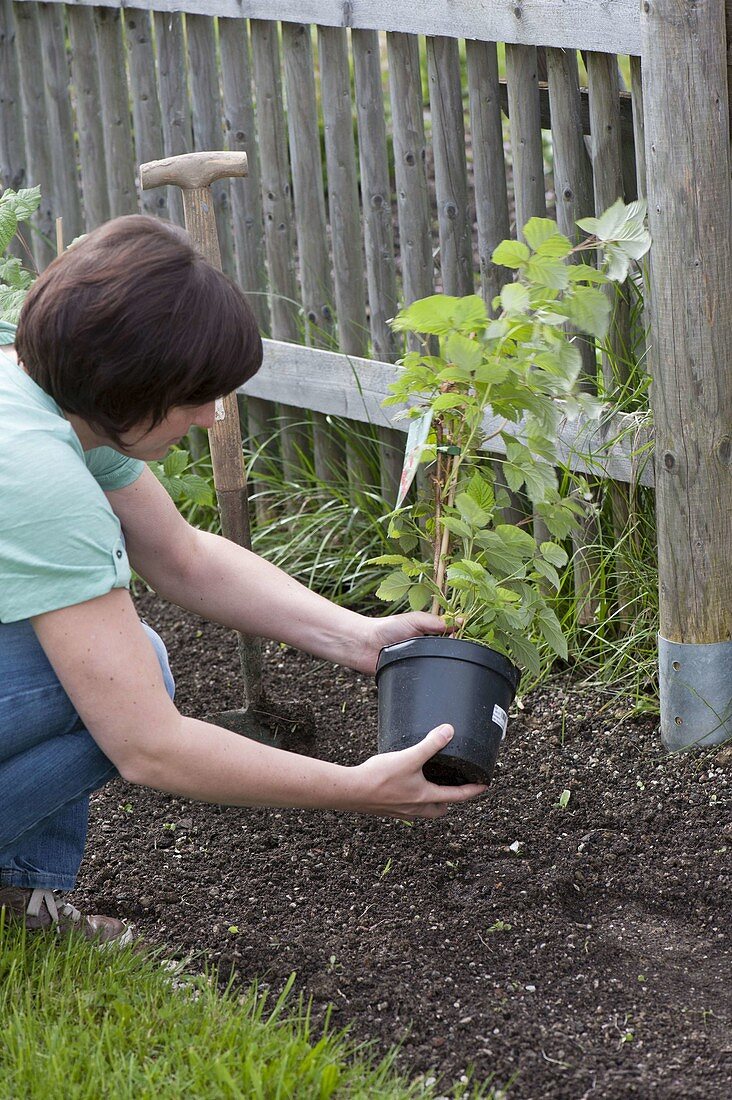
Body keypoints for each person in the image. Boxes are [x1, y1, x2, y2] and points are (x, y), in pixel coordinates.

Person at [0, 216, 486, 943]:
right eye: (194, 397)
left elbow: (182, 556)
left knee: (113, 658)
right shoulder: (40, 478)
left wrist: (359, 637)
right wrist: (356, 788)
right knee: (126, 673)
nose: (207, 418)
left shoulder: (31, 391)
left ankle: (16, 899)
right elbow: (148, 746)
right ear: (124, 385)